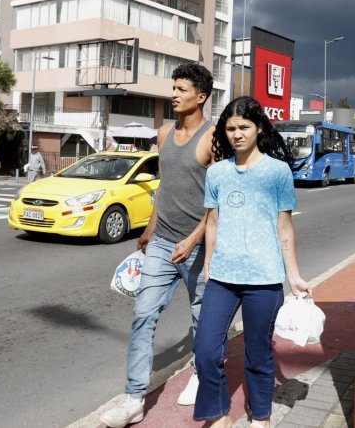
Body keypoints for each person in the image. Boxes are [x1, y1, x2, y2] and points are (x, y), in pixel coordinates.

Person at [101, 63, 216, 428]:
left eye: (182, 89)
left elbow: (218, 200)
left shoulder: (214, 139)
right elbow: (164, 188)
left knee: (202, 318)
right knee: (143, 315)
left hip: (198, 245)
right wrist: (150, 230)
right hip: (163, 242)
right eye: (174, 87)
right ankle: (134, 397)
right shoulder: (164, 134)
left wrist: (195, 237)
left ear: (201, 97)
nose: (174, 94)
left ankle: (200, 373)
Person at [192, 96, 309, 428]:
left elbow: (284, 226)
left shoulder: (277, 171)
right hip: (223, 278)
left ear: (259, 128)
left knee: (258, 354)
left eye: (243, 126)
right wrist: (210, 264)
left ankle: (261, 417)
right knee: (206, 350)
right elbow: (212, 223)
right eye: (230, 128)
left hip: (264, 278)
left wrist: (294, 276)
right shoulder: (217, 172)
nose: (237, 133)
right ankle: (218, 414)